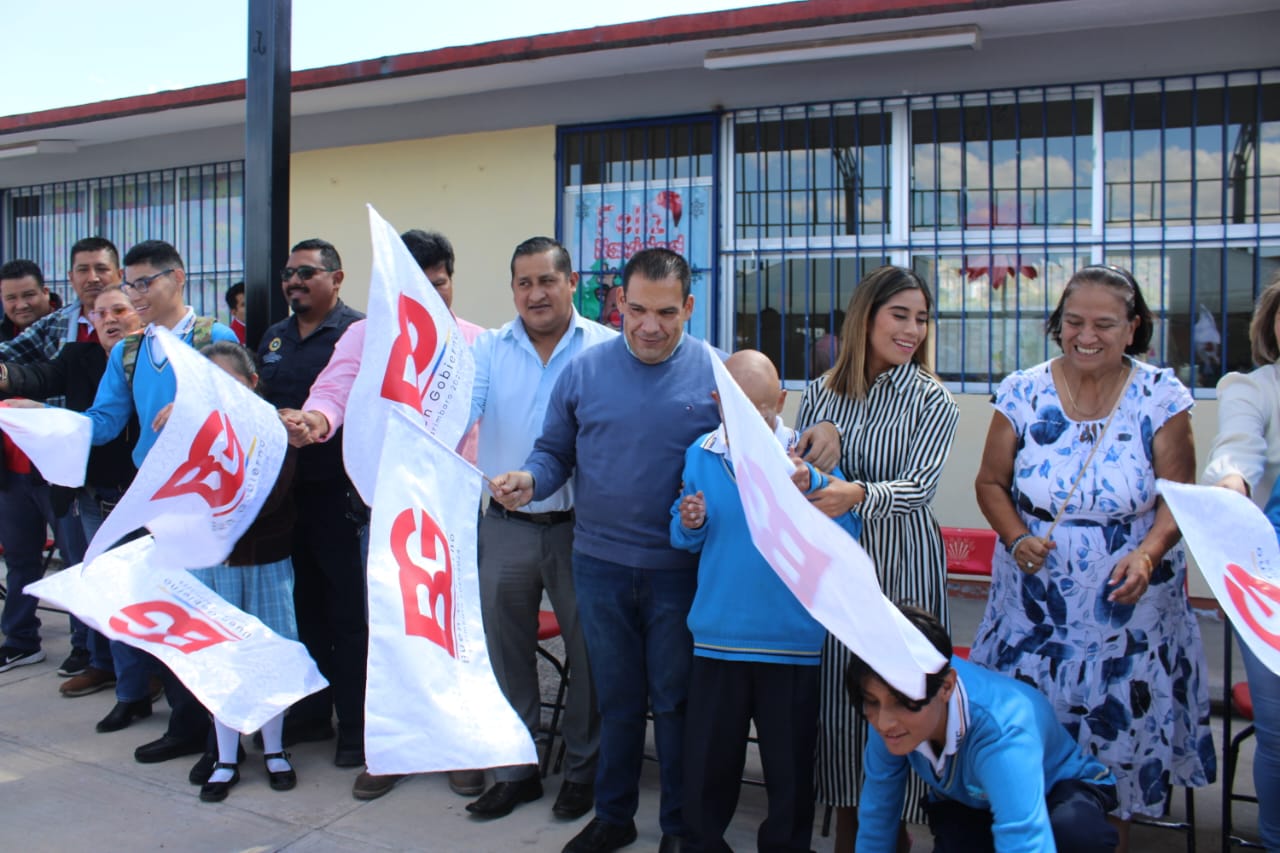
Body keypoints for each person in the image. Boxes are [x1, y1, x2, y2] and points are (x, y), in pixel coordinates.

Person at [970, 264, 1214, 850]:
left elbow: (1178, 501)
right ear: (1059, 325)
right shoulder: (1022, 392)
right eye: (1074, 321)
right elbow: (989, 483)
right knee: (1023, 745)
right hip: (1034, 616)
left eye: (1105, 323)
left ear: (1132, 329)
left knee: (1116, 746)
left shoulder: (1162, 396)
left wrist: (1150, 554)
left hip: (1127, 619)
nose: (1087, 335)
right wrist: (1014, 537)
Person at [491, 247, 720, 853]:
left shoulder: (716, 376)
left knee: (674, 704)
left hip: (680, 573)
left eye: (666, 313)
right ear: (619, 302)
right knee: (616, 700)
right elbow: (553, 454)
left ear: (689, 307)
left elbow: (754, 459)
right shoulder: (585, 372)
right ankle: (613, 818)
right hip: (598, 566)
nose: (649, 326)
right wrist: (529, 481)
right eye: (637, 309)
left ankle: (677, 827)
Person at [278, 230, 486, 799]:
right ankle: (391, 749)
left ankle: (457, 746)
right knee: (389, 633)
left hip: (455, 516)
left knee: (454, 634)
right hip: (385, 514)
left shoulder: (475, 342)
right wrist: (315, 423)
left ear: (450, 281)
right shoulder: (362, 338)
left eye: (438, 285)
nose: (427, 297)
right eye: (414, 288)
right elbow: (333, 392)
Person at [793, 265, 959, 852]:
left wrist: (855, 491)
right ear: (866, 316)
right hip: (838, 576)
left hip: (903, 573)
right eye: (900, 315)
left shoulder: (932, 400)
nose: (913, 329)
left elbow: (919, 488)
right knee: (845, 705)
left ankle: (901, 833)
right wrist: (811, 456)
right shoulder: (820, 392)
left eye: (921, 318)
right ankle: (851, 837)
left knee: (902, 696)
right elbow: (800, 478)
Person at [671, 349, 861, 853]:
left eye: (764, 408)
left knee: (790, 772)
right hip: (717, 638)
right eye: (739, 408)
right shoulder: (702, 454)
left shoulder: (804, 458)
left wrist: (815, 485)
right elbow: (683, 530)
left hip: (791, 641)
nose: (754, 419)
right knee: (710, 766)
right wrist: (689, 520)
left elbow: (848, 531)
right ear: (718, 401)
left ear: (781, 400)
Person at [463, 237, 613, 822]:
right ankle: (517, 770)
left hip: (582, 528)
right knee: (506, 654)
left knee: (591, 654)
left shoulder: (605, 348)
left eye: (546, 280)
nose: (535, 293)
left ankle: (582, 772)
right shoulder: (488, 349)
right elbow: (460, 412)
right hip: (506, 526)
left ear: (571, 282)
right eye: (523, 283)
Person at [82, 239, 238, 765]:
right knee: (169, 614)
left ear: (180, 277)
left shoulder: (212, 335)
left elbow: (240, 406)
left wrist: (193, 410)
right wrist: (44, 421)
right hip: (154, 500)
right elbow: (104, 423)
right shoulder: (131, 350)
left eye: (145, 282)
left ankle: (218, 732)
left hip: (207, 498)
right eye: (130, 284)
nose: (136, 294)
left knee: (209, 615)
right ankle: (185, 722)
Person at [150, 341, 299, 804]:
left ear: (253, 384)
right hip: (213, 567)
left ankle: (275, 749)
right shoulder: (192, 436)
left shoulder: (277, 431)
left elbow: (269, 501)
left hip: (267, 562)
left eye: (231, 385)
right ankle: (227, 757)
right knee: (221, 658)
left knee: (270, 655)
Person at [851, 604, 1120, 853]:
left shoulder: (1002, 733)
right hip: (971, 801)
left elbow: (1025, 841)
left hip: (1058, 788)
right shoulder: (892, 700)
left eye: (901, 703)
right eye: (872, 701)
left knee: (1076, 836)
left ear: (945, 687)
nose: (884, 722)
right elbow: (878, 811)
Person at [252, 238, 366, 769]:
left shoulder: (358, 334)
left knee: (349, 616)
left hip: (340, 499)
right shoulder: (273, 338)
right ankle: (311, 714)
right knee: (302, 613)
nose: (294, 282)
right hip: (285, 501)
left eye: (306, 273)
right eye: (288, 273)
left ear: (336, 279)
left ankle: (356, 727)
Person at [0, 287, 143, 703]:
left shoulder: (158, 359)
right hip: (90, 493)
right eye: (100, 314)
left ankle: (145, 676)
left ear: (140, 313)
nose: (110, 319)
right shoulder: (78, 357)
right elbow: (40, 377)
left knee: (139, 592)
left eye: (119, 309)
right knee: (93, 584)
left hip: (144, 495)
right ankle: (101, 663)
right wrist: (7, 377)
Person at [1201, 270, 1280, 852]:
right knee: (1278, 735)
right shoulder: (1254, 388)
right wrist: (1232, 483)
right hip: (1271, 585)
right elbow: (1237, 450)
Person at [0, 260, 53, 342]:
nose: (21, 306)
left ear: (45, 292)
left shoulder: (71, 329)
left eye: (29, 295)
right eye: (11, 298)